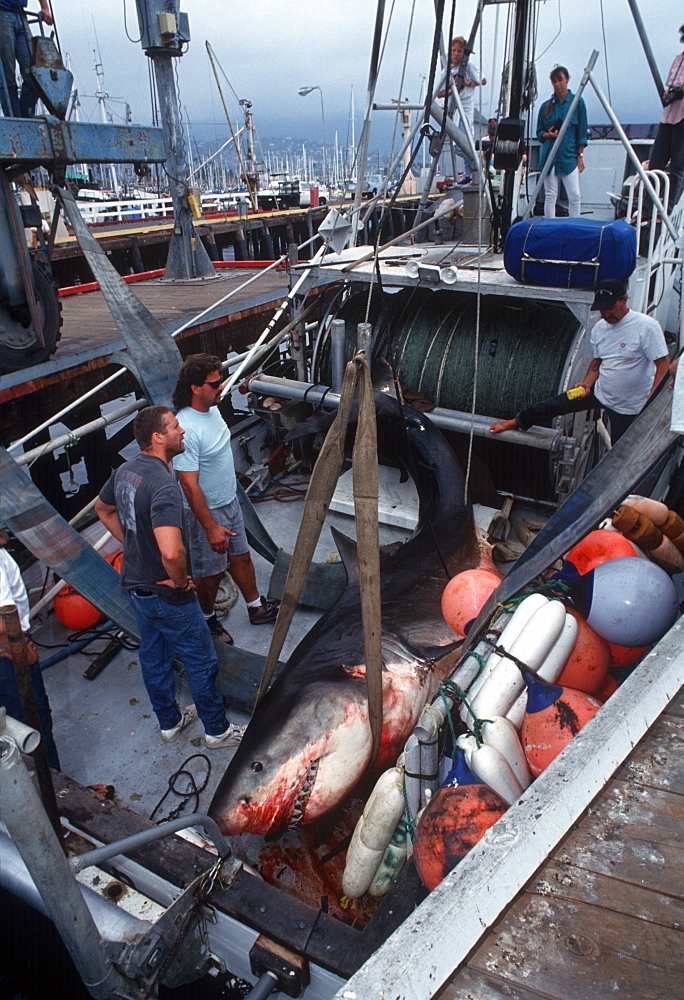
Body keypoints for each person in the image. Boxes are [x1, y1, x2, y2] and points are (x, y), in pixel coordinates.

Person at [95, 405, 244, 749]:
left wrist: (134, 547)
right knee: (202, 660)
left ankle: (170, 722)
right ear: (158, 437)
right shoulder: (164, 485)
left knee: (155, 654)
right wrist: (180, 582)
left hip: (135, 587)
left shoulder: (125, 471)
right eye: (176, 427)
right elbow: (172, 553)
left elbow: (103, 510)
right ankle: (217, 731)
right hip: (165, 594)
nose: (183, 432)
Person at [172, 354, 279, 645]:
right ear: (195, 388)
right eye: (215, 383)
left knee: (241, 559)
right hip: (207, 513)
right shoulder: (186, 428)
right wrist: (210, 527)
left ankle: (256, 608)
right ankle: (207, 621)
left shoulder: (212, 408)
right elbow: (188, 484)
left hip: (230, 502)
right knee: (211, 574)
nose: (222, 387)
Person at [490, 278, 670, 444]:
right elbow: (597, 362)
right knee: (554, 404)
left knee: (620, 453)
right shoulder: (600, 328)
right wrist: (587, 383)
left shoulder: (646, 326)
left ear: (623, 300)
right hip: (599, 393)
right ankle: (517, 421)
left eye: (610, 307)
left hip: (630, 407)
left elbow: (663, 364)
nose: (606, 313)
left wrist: (651, 397)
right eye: (602, 308)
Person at [0, 529, 60, 768]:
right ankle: (57, 797)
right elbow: (4, 621)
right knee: (33, 729)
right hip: (8, 653)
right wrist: (19, 649)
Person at [536, 66, 588, 218]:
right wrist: (548, 134)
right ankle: (550, 227)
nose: (557, 84)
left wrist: (580, 156)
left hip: (569, 155)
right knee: (551, 195)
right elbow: (539, 132)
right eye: (554, 81)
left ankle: (574, 226)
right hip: (550, 157)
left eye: (560, 80)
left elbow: (582, 132)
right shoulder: (546, 107)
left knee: (575, 196)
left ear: (567, 80)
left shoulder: (577, 102)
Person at [437, 36, 486, 185]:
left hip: (465, 105)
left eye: (459, 51)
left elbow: (482, 80)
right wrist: (453, 90)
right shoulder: (447, 70)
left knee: (465, 139)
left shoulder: (468, 66)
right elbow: (439, 94)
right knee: (455, 143)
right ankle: (472, 165)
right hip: (453, 106)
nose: (456, 53)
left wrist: (467, 83)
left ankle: (471, 171)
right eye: (454, 50)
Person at [648, 24, 684, 212]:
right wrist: (671, 92)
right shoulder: (678, 59)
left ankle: (668, 210)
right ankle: (646, 209)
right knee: (656, 164)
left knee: (678, 166)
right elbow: (669, 87)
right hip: (668, 116)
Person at [0, 0, 53, 118]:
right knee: (7, 76)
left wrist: (45, 8)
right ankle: (14, 119)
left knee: (34, 75)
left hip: (21, 15)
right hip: (2, 13)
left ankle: (25, 117)